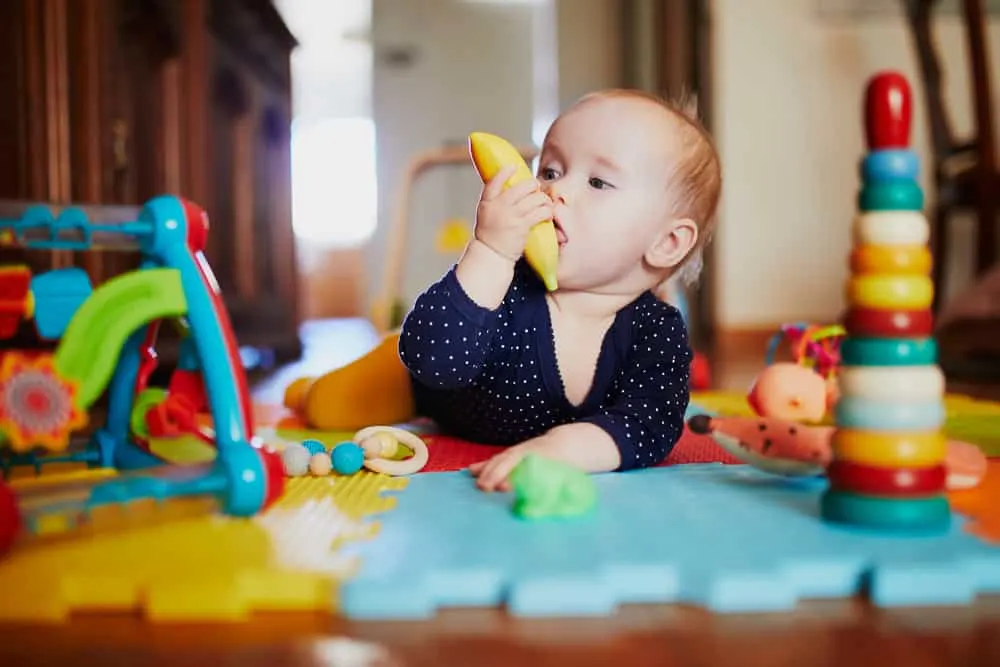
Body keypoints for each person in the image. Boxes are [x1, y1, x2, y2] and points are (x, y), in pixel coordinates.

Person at [398, 89, 722, 492]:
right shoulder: (506, 282)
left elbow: (650, 424)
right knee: (366, 388)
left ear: (667, 242)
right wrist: (490, 251)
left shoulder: (656, 332)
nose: (555, 191)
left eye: (598, 182)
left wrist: (565, 448)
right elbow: (432, 360)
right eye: (550, 171)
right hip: (418, 388)